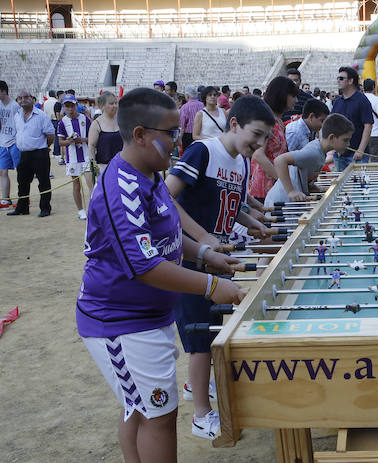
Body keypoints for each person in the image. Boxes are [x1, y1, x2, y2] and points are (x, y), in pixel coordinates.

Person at [76, 87, 247, 463]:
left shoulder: (149, 176)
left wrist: (203, 253)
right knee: (158, 415)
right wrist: (213, 286)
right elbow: (146, 266)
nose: (178, 141)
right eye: (170, 133)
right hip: (120, 323)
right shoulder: (121, 189)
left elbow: (165, 237)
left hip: (144, 319)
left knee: (140, 409)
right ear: (140, 134)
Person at [166, 95, 274, 440]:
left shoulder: (242, 162)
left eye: (264, 139)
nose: (258, 144)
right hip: (191, 258)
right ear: (234, 124)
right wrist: (203, 238)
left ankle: (195, 387)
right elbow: (166, 197)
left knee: (212, 331)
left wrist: (256, 223)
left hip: (218, 258)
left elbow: (233, 204)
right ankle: (201, 416)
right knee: (200, 341)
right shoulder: (204, 151)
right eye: (255, 135)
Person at [269, 114, 353, 207]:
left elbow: (303, 173)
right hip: (280, 202)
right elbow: (280, 160)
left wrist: (315, 188)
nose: (348, 144)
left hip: (288, 202)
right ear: (332, 138)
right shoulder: (314, 152)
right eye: (345, 140)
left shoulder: (320, 150)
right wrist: (291, 191)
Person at [249, 76, 299, 203]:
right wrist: (283, 181)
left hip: (275, 186)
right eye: (293, 96)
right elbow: (258, 155)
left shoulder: (278, 120)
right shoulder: (267, 120)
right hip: (265, 188)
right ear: (282, 95)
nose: (296, 100)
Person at [8, 90, 55, 217]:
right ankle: (22, 207)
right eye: (20, 98)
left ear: (32, 99)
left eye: (26, 97)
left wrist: (44, 147)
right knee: (22, 182)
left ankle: (45, 208)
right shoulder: (17, 116)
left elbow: (50, 134)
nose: (23, 100)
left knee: (43, 181)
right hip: (24, 153)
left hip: (39, 153)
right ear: (17, 101)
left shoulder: (41, 115)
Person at [57, 94, 94, 220]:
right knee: (76, 185)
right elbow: (60, 142)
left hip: (86, 156)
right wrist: (70, 141)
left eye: (72, 106)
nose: (70, 109)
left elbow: (93, 138)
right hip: (72, 158)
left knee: (91, 184)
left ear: (76, 105)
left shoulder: (85, 119)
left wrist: (81, 139)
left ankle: (94, 210)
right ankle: (81, 210)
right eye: (67, 106)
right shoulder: (63, 122)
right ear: (64, 107)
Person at [331, 67, 373, 170]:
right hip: (339, 155)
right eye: (338, 78)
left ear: (350, 81)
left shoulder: (362, 100)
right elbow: (331, 124)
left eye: (341, 78)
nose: (338, 81)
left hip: (356, 155)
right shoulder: (338, 101)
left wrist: (361, 150)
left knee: (357, 185)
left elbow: (368, 125)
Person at [0, 80, 21, 209]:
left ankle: (23, 197)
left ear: (4, 91)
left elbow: (20, 124)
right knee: (3, 172)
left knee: (20, 171)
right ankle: (5, 200)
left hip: (14, 141)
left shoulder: (14, 106)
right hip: (3, 141)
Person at [89, 91, 122, 173]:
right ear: (102, 106)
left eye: (115, 103)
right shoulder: (96, 124)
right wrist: (93, 164)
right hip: (104, 166)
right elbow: (91, 145)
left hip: (122, 164)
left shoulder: (121, 121)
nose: (114, 106)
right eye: (111, 103)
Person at [363, 78, 378, 161]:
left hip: (362, 133)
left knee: (363, 159)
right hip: (375, 132)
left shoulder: (359, 99)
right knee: (376, 159)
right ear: (373, 87)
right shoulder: (376, 99)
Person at [180, 85, 204, 150]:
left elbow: (182, 126)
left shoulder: (185, 107)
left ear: (187, 96)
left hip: (188, 136)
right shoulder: (202, 105)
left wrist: (179, 139)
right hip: (201, 134)